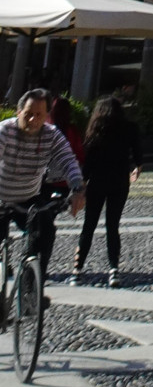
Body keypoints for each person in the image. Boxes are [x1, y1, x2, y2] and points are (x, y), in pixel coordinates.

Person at [0, 88, 84, 282]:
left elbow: (68, 161)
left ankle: (33, 284)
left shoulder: (51, 134)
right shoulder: (5, 131)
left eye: (39, 115)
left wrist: (77, 188)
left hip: (29, 197)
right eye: (28, 114)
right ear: (18, 112)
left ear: (47, 116)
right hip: (1, 196)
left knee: (46, 231)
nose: (33, 120)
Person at [73, 94, 143, 287]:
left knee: (89, 225)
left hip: (97, 181)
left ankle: (77, 269)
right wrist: (136, 168)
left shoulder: (96, 129)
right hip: (119, 181)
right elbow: (138, 154)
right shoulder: (130, 128)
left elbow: (88, 162)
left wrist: (82, 184)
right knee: (113, 226)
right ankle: (114, 270)